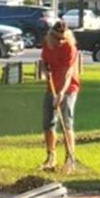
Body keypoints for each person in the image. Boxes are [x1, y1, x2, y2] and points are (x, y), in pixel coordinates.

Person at [40, 20, 81, 173]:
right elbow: (43, 62)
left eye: (63, 38)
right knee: (48, 123)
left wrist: (61, 93)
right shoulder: (47, 44)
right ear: (51, 36)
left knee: (67, 123)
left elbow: (68, 74)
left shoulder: (70, 47)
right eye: (57, 39)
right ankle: (51, 157)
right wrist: (45, 71)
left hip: (69, 88)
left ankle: (70, 159)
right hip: (51, 86)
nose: (60, 41)